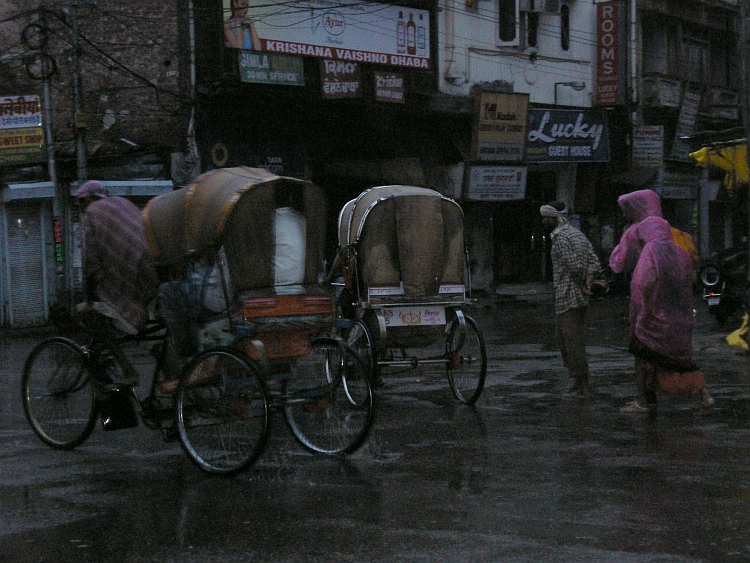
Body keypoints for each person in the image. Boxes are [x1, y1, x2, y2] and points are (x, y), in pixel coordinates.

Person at [609, 190, 714, 413]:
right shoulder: (679, 252)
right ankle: (705, 395)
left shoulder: (651, 252)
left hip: (653, 319)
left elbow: (640, 285)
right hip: (679, 319)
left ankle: (643, 401)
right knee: (682, 359)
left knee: (642, 358)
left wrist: (638, 314)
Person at [75, 180, 160, 388]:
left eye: (81, 201)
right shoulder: (125, 203)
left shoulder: (91, 214)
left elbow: (91, 259)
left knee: (88, 313)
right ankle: (176, 382)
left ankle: (128, 370)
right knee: (157, 332)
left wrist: (89, 292)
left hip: (127, 277)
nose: (80, 206)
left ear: (90, 198)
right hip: (152, 273)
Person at [540, 201, 601, 398]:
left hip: (569, 295)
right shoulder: (577, 234)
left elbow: (575, 267)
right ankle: (577, 381)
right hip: (577, 296)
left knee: (571, 342)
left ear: (553, 218)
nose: (543, 221)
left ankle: (583, 386)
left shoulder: (560, 237)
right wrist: (590, 279)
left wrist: (584, 280)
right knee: (564, 339)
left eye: (546, 218)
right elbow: (593, 260)